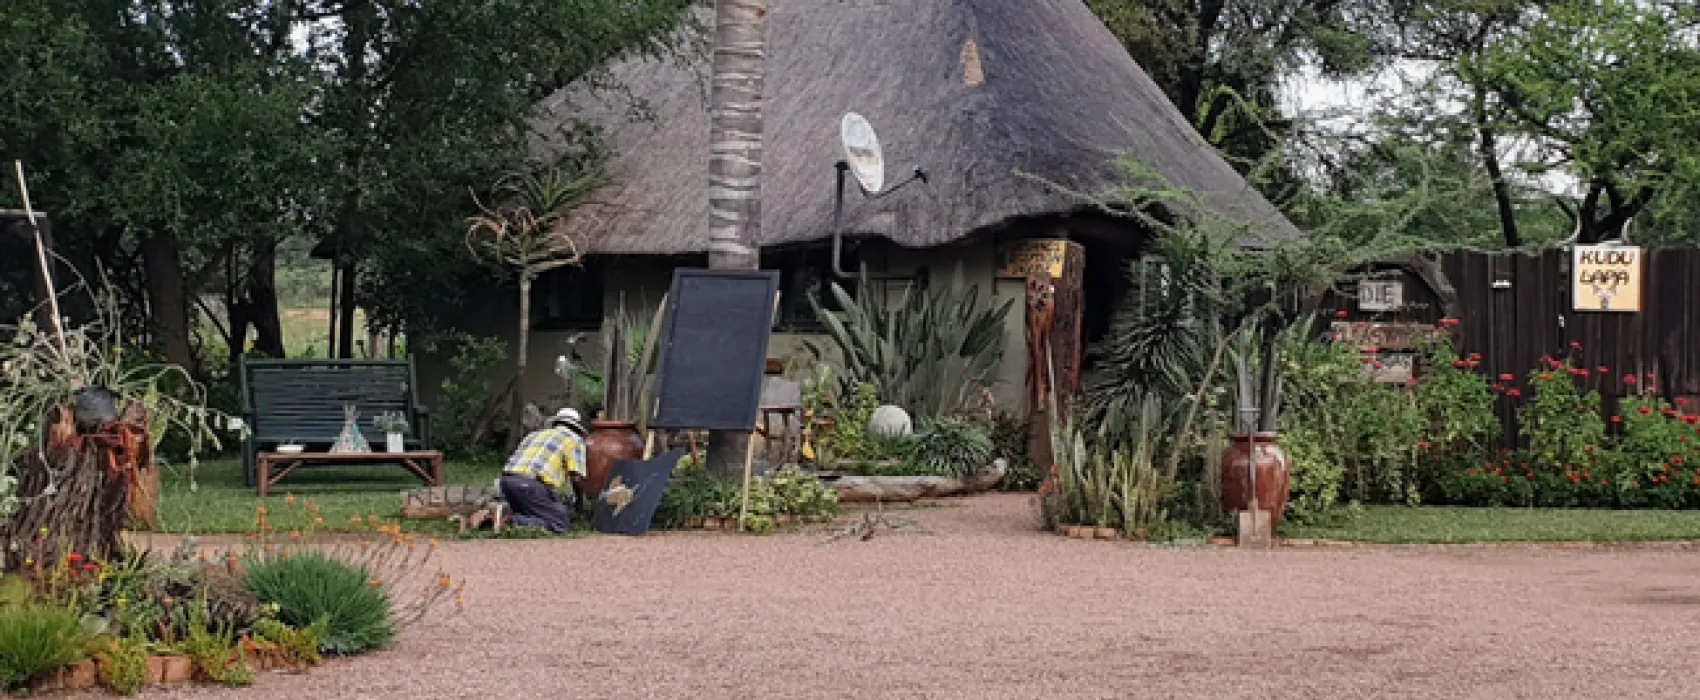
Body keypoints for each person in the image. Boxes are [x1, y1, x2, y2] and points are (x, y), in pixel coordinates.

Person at [498, 407, 588, 533]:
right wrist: (580, 503)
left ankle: (493, 517)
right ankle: (509, 520)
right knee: (559, 523)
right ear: (576, 427)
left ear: (556, 423)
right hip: (531, 485)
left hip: (506, 481)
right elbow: (576, 477)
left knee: (534, 512)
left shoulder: (534, 434)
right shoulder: (574, 440)